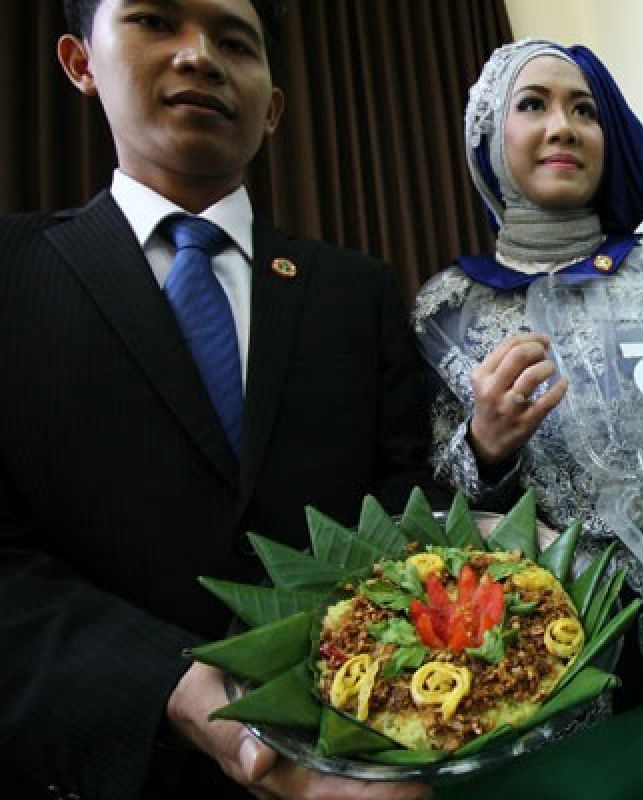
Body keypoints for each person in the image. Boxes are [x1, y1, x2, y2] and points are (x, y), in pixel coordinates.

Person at [0, 2, 433, 798]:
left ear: (271, 108)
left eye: (235, 42)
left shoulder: (356, 291)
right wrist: (175, 691)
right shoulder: (12, 275)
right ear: (80, 63)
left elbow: (405, 502)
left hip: (368, 758)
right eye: (155, 22)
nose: (200, 56)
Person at [412, 39, 643, 702]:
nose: (563, 127)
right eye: (533, 104)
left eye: (584, 110)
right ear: (489, 136)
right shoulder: (448, 306)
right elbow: (438, 496)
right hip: (554, 639)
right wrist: (487, 445)